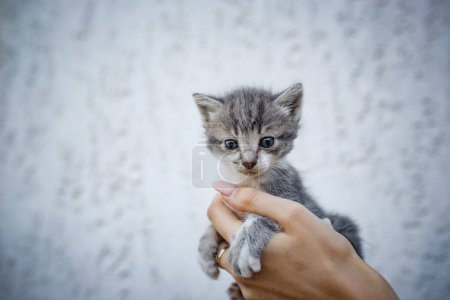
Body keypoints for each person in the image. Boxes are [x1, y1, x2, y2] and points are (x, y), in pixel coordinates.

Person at [208, 182, 399, 300]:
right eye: (231, 144)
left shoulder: (283, 178)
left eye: (267, 142)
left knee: (344, 226)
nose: (247, 159)